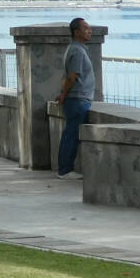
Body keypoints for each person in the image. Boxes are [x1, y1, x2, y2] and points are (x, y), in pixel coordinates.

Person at [53, 17, 96, 178]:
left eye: (89, 27)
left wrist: (63, 92)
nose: (89, 30)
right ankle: (65, 170)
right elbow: (72, 76)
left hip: (78, 99)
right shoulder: (77, 51)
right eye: (85, 28)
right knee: (72, 135)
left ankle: (65, 168)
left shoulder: (76, 49)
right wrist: (64, 94)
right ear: (76, 32)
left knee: (70, 134)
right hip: (78, 99)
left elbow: (67, 76)